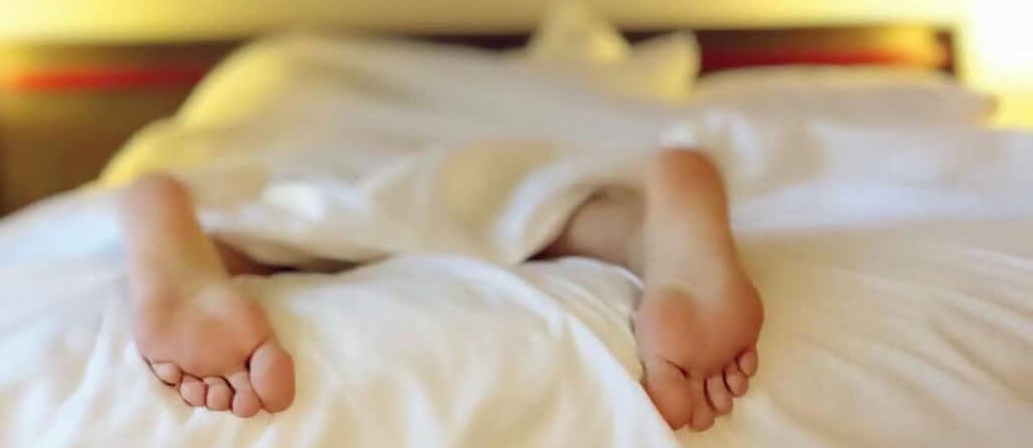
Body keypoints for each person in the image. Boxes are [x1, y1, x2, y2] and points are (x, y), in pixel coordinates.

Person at [119, 147, 764, 432]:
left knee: (274, 224)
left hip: (305, 184)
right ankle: (653, 226)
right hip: (510, 170)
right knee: (557, 212)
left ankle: (181, 238)